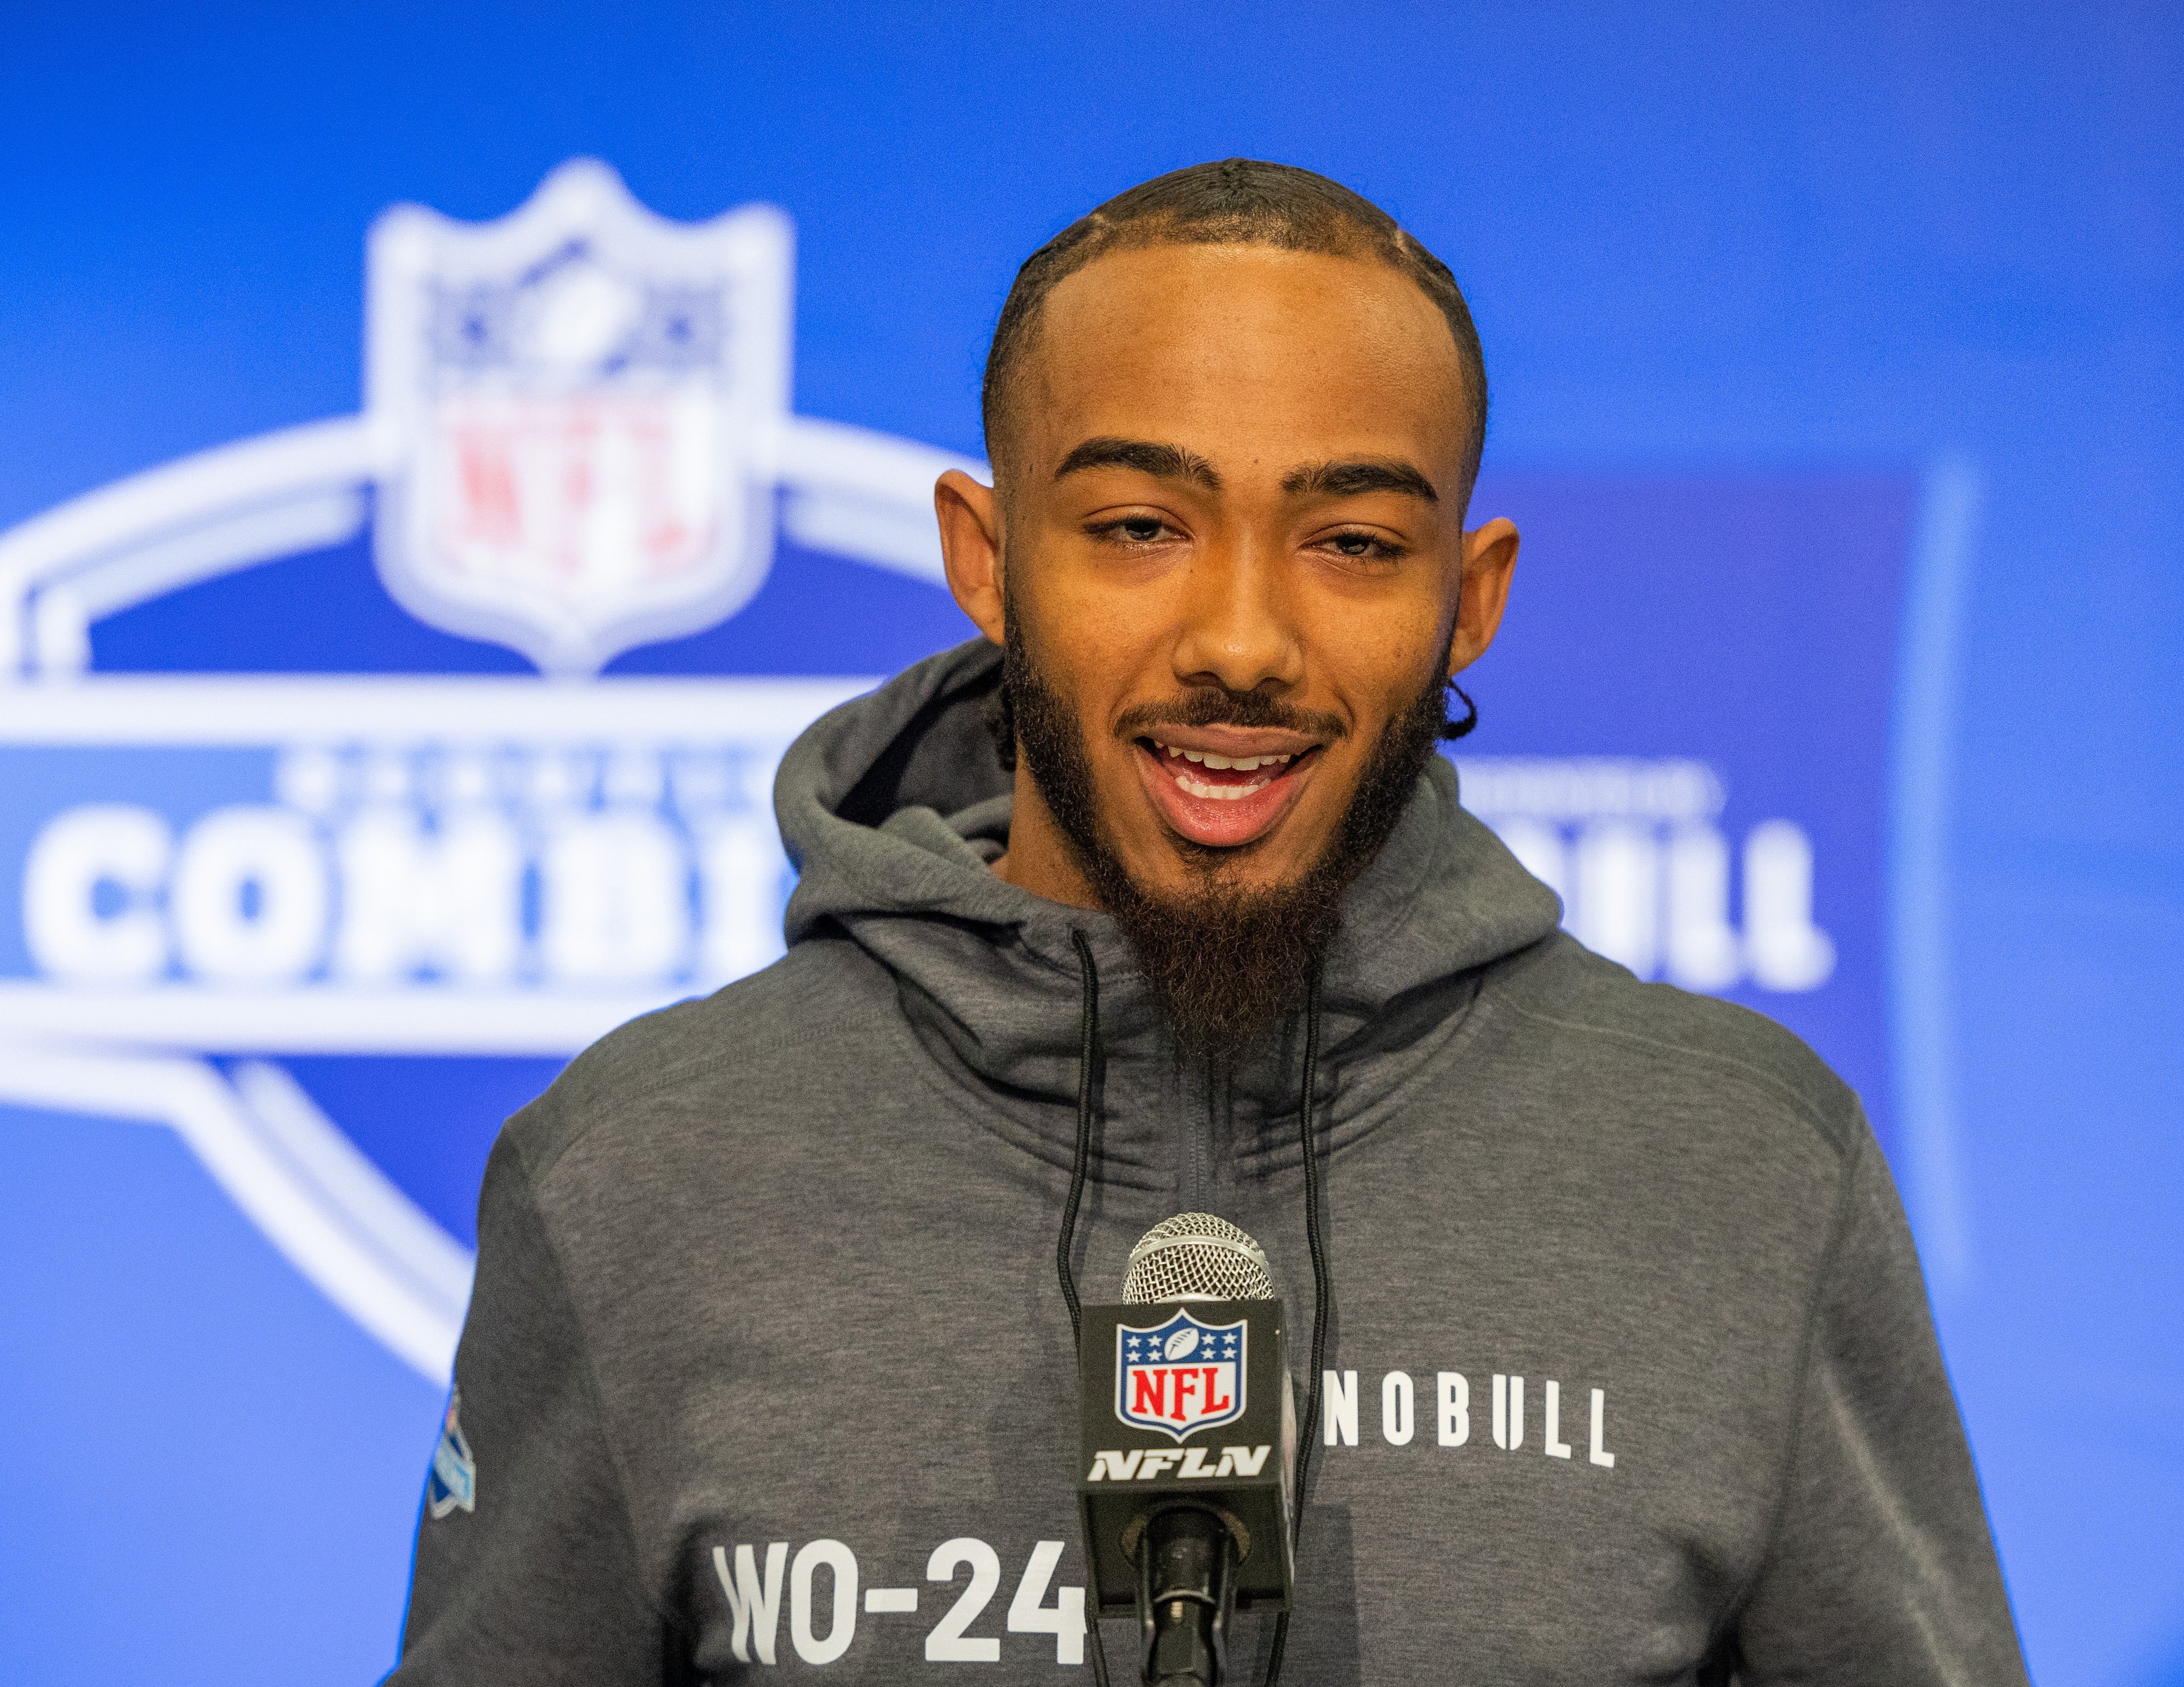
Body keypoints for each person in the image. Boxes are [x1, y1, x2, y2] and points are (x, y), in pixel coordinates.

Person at [387, 159, 2026, 1685]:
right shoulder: (637, 1170)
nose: (1240, 638)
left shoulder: (1739, 1166)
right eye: (1136, 528)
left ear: (1470, 597)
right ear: (985, 558)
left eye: (1353, 544)